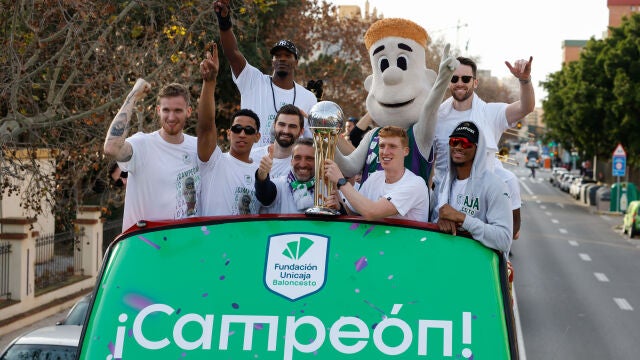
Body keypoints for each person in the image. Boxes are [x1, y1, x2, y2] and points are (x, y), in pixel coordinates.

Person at [213, 0, 317, 147]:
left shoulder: (308, 97)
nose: (282, 58)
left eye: (288, 56)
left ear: (296, 62)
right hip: (252, 164)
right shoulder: (254, 81)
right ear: (272, 61)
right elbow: (232, 53)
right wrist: (224, 21)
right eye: (278, 55)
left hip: (289, 168)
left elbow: (312, 141)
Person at [103, 78, 200, 231]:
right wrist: (133, 96)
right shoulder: (142, 144)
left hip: (184, 247)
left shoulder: (198, 147)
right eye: (166, 110)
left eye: (178, 110)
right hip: (144, 246)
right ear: (158, 110)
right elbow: (111, 147)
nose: (171, 117)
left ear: (188, 111)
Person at [433, 56, 535, 187]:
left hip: (477, 202)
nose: (459, 83)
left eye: (465, 79)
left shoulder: (490, 113)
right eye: (454, 78)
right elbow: (429, 162)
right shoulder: (436, 117)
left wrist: (525, 80)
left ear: (475, 83)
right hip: (440, 202)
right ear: (448, 82)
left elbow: (526, 107)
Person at [197, 43, 262, 216]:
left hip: (247, 242)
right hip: (213, 241)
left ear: (257, 137)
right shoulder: (214, 161)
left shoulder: (261, 174)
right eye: (237, 128)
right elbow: (205, 127)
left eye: (249, 131)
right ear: (228, 133)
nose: (242, 134)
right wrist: (209, 82)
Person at [432, 121, 512, 255]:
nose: (458, 147)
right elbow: (432, 220)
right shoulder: (443, 182)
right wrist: (440, 222)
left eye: (465, 143)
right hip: (445, 257)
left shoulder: (495, 186)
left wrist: (462, 218)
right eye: (454, 141)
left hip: (478, 264)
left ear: (478, 149)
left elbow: (504, 239)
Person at [325, 126, 429, 222]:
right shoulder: (375, 177)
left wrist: (340, 181)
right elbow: (356, 212)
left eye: (392, 146)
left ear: (405, 151)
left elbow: (371, 212)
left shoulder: (415, 184)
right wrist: (339, 203)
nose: (385, 151)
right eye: (382, 146)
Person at [255, 138, 315, 214]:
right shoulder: (280, 185)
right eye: (297, 158)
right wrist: (262, 174)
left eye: (309, 159)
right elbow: (264, 195)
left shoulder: (325, 188)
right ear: (291, 161)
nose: (302, 164)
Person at [250, 104, 305, 179]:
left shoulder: (304, 165)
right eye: (282, 125)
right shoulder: (252, 157)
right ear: (274, 126)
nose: (286, 131)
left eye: (292, 126)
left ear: (301, 131)